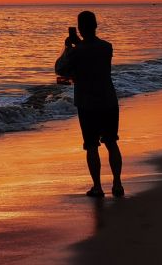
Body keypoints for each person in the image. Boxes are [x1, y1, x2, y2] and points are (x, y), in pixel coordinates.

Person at [55, 11, 123, 198]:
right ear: (95, 26)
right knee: (111, 142)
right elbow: (92, 54)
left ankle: (98, 187)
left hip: (87, 103)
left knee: (91, 146)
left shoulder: (76, 51)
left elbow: (60, 68)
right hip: (108, 100)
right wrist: (78, 44)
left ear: (80, 28)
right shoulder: (107, 47)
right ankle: (117, 184)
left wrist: (68, 47)